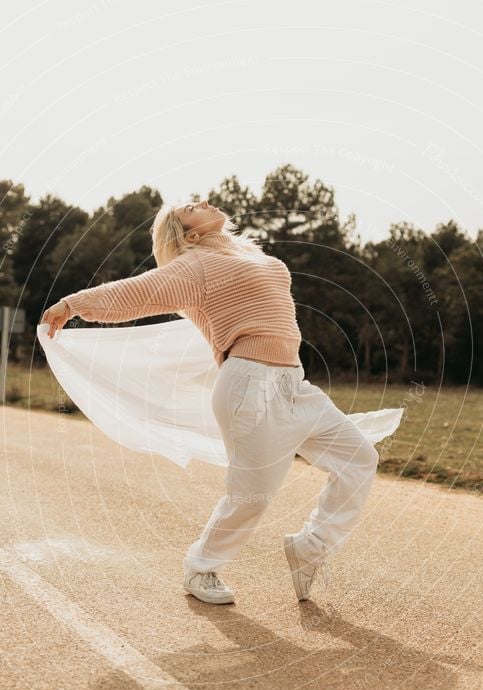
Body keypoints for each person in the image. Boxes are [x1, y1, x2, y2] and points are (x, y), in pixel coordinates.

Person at [40, 200, 384, 606]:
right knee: (251, 496)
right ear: (189, 234)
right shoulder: (195, 266)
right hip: (249, 384)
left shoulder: (250, 255)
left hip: (293, 383)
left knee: (359, 459)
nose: (202, 201)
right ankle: (200, 568)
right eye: (190, 208)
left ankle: (310, 547)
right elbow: (137, 292)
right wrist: (71, 305)